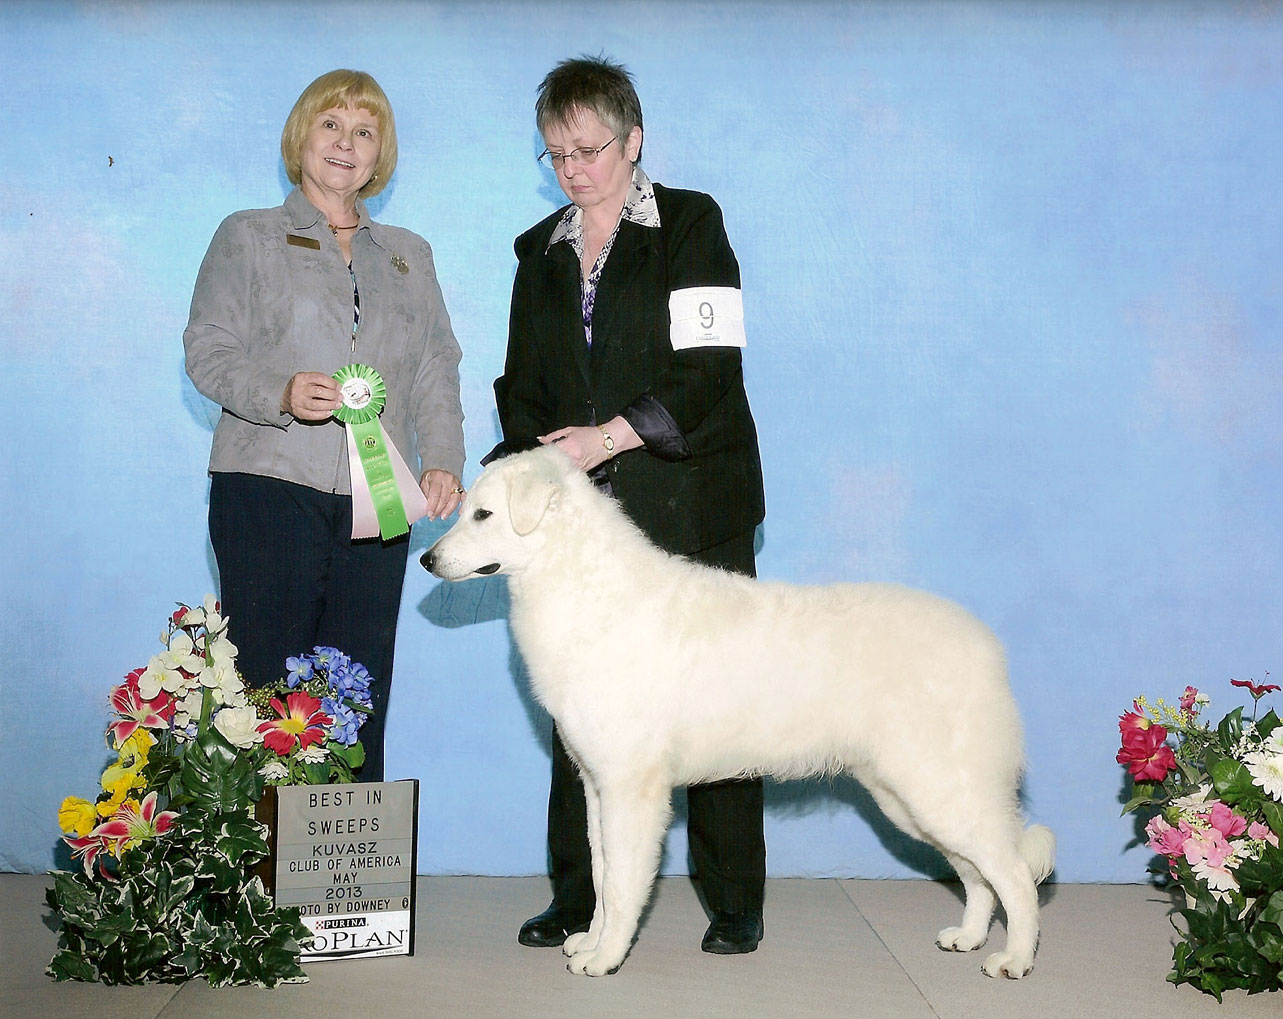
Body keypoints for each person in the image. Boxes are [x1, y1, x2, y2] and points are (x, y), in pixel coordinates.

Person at [492, 55, 767, 955]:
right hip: (582, 532)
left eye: (587, 149)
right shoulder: (539, 250)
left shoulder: (692, 223)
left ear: (632, 138)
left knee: (718, 702)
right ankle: (581, 898)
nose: (571, 169)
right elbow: (520, 387)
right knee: (584, 710)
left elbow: (708, 371)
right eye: (554, 154)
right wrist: (533, 461)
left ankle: (734, 900)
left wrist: (603, 439)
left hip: (693, 502)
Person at [184, 69, 465, 781]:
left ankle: (350, 885)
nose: (346, 143)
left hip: (381, 498)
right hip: (266, 488)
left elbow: (436, 365)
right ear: (300, 136)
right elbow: (208, 351)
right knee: (270, 695)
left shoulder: (411, 254)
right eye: (331, 125)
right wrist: (277, 389)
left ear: (381, 154)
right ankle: (261, 882)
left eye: (364, 131)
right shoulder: (247, 235)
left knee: (357, 694)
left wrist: (442, 460)